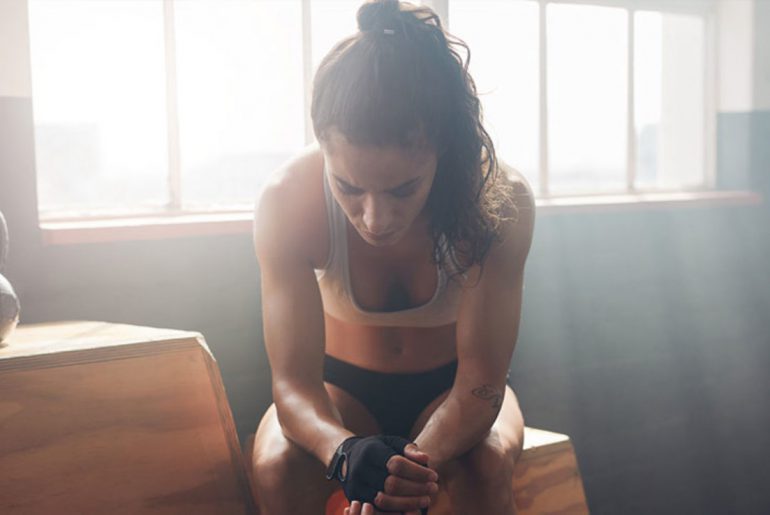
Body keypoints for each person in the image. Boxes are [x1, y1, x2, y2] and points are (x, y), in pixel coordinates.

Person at [249, 1, 535, 514]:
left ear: (442, 150)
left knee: (485, 467)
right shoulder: (286, 200)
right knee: (275, 469)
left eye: (403, 189)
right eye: (349, 187)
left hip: (456, 391)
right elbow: (292, 384)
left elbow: (482, 381)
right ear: (324, 148)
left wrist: (403, 472)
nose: (374, 218)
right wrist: (344, 452)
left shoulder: (499, 200)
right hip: (340, 391)